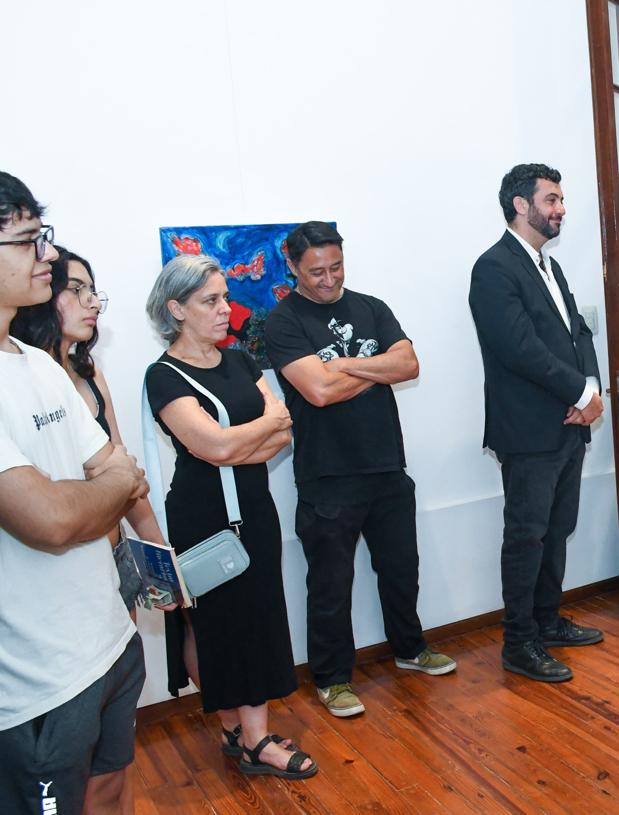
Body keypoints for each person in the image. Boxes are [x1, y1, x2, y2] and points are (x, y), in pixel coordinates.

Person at [0, 172, 149, 814]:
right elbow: (51, 520)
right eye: (27, 241)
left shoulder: (35, 362)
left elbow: (120, 471)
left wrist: (97, 490)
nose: (49, 255)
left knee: (110, 792)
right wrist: (101, 491)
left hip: (109, 640)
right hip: (37, 681)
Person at [265, 221, 455, 718]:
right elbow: (318, 392)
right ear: (293, 267)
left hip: (387, 465)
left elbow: (408, 365)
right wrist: (374, 367)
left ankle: (411, 649)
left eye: (336, 267)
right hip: (327, 475)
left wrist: (343, 366)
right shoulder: (282, 322)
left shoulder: (372, 307)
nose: (329, 279)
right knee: (330, 585)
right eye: (316, 272)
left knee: (401, 569)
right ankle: (331, 679)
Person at [144, 254, 316, 779]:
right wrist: (239, 438)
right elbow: (212, 445)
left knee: (259, 620)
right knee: (217, 626)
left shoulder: (239, 361)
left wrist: (229, 445)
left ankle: (246, 731)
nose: (226, 309)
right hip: (202, 518)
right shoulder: (164, 376)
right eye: (211, 300)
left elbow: (283, 430)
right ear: (177, 309)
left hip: (254, 511)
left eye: (225, 297)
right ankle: (248, 735)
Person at [469, 163, 605, 683]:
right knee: (526, 538)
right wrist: (580, 394)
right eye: (551, 200)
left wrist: (590, 391)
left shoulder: (550, 265)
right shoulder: (493, 268)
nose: (561, 209)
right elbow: (519, 349)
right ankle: (519, 642)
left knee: (557, 529)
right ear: (521, 205)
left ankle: (547, 621)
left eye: (560, 199)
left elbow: (578, 332)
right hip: (528, 431)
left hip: (568, 424)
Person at [12, 247, 169, 608]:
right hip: (55, 565)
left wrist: (157, 552)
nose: (94, 303)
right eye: (77, 289)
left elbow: (125, 469)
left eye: (94, 291)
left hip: (115, 548)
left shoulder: (89, 371)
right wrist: (109, 476)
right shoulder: (22, 378)